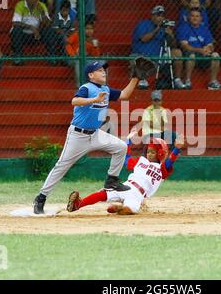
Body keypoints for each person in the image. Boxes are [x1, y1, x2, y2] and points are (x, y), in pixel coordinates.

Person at [33, 60, 140, 214]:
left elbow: (124, 95)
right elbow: (74, 101)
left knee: (121, 147)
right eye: (99, 70)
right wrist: (94, 100)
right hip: (78, 135)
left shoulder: (106, 90)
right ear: (91, 75)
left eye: (104, 69)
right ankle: (41, 198)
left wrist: (135, 78)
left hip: (95, 134)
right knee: (62, 166)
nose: (104, 72)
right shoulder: (86, 88)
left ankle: (112, 181)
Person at [66, 131, 185, 215]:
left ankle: (119, 209)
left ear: (160, 154)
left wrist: (176, 149)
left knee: (130, 209)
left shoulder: (162, 169)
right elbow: (126, 158)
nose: (149, 154)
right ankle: (78, 205)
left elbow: (170, 161)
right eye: (148, 151)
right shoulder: (140, 160)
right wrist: (128, 141)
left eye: (152, 152)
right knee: (102, 193)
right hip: (125, 186)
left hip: (138, 194)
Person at [132, 5, 185, 89]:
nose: (160, 18)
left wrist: (170, 35)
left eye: (162, 15)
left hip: (158, 59)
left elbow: (173, 45)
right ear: (152, 16)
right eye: (158, 15)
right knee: (136, 58)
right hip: (143, 58)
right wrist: (158, 28)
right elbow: (144, 39)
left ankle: (177, 80)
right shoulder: (144, 24)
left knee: (177, 52)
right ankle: (142, 80)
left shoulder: (164, 28)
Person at [176, 8, 221, 90]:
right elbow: (185, 46)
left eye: (197, 16)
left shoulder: (204, 29)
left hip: (203, 54)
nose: (195, 18)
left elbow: (211, 45)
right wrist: (199, 50)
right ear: (189, 17)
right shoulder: (183, 28)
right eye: (192, 16)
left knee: (215, 55)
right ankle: (187, 80)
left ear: (201, 18)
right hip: (190, 53)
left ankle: (213, 81)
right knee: (192, 55)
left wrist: (208, 49)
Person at [10, 0, 55, 66]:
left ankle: (51, 57)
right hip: (23, 35)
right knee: (16, 30)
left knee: (48, 30)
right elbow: (15, 22)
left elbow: (47, 24)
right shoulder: (20, 5)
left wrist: (42, 11)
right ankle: (19, 57)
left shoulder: (41, 5)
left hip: (36, 35)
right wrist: (31, 27)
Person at [66, 20, 101, 84]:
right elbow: (67, 44)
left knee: (102, 62)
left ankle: (101, 84)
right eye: (87, 28)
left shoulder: (93, 40)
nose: (89, 31)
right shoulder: (76, 35)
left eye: (91, 29)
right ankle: (80, 85)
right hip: (73, 58)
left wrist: (95, 47)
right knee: (78, 62)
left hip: (86, 59)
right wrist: (73, 54)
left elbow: (95, 56)